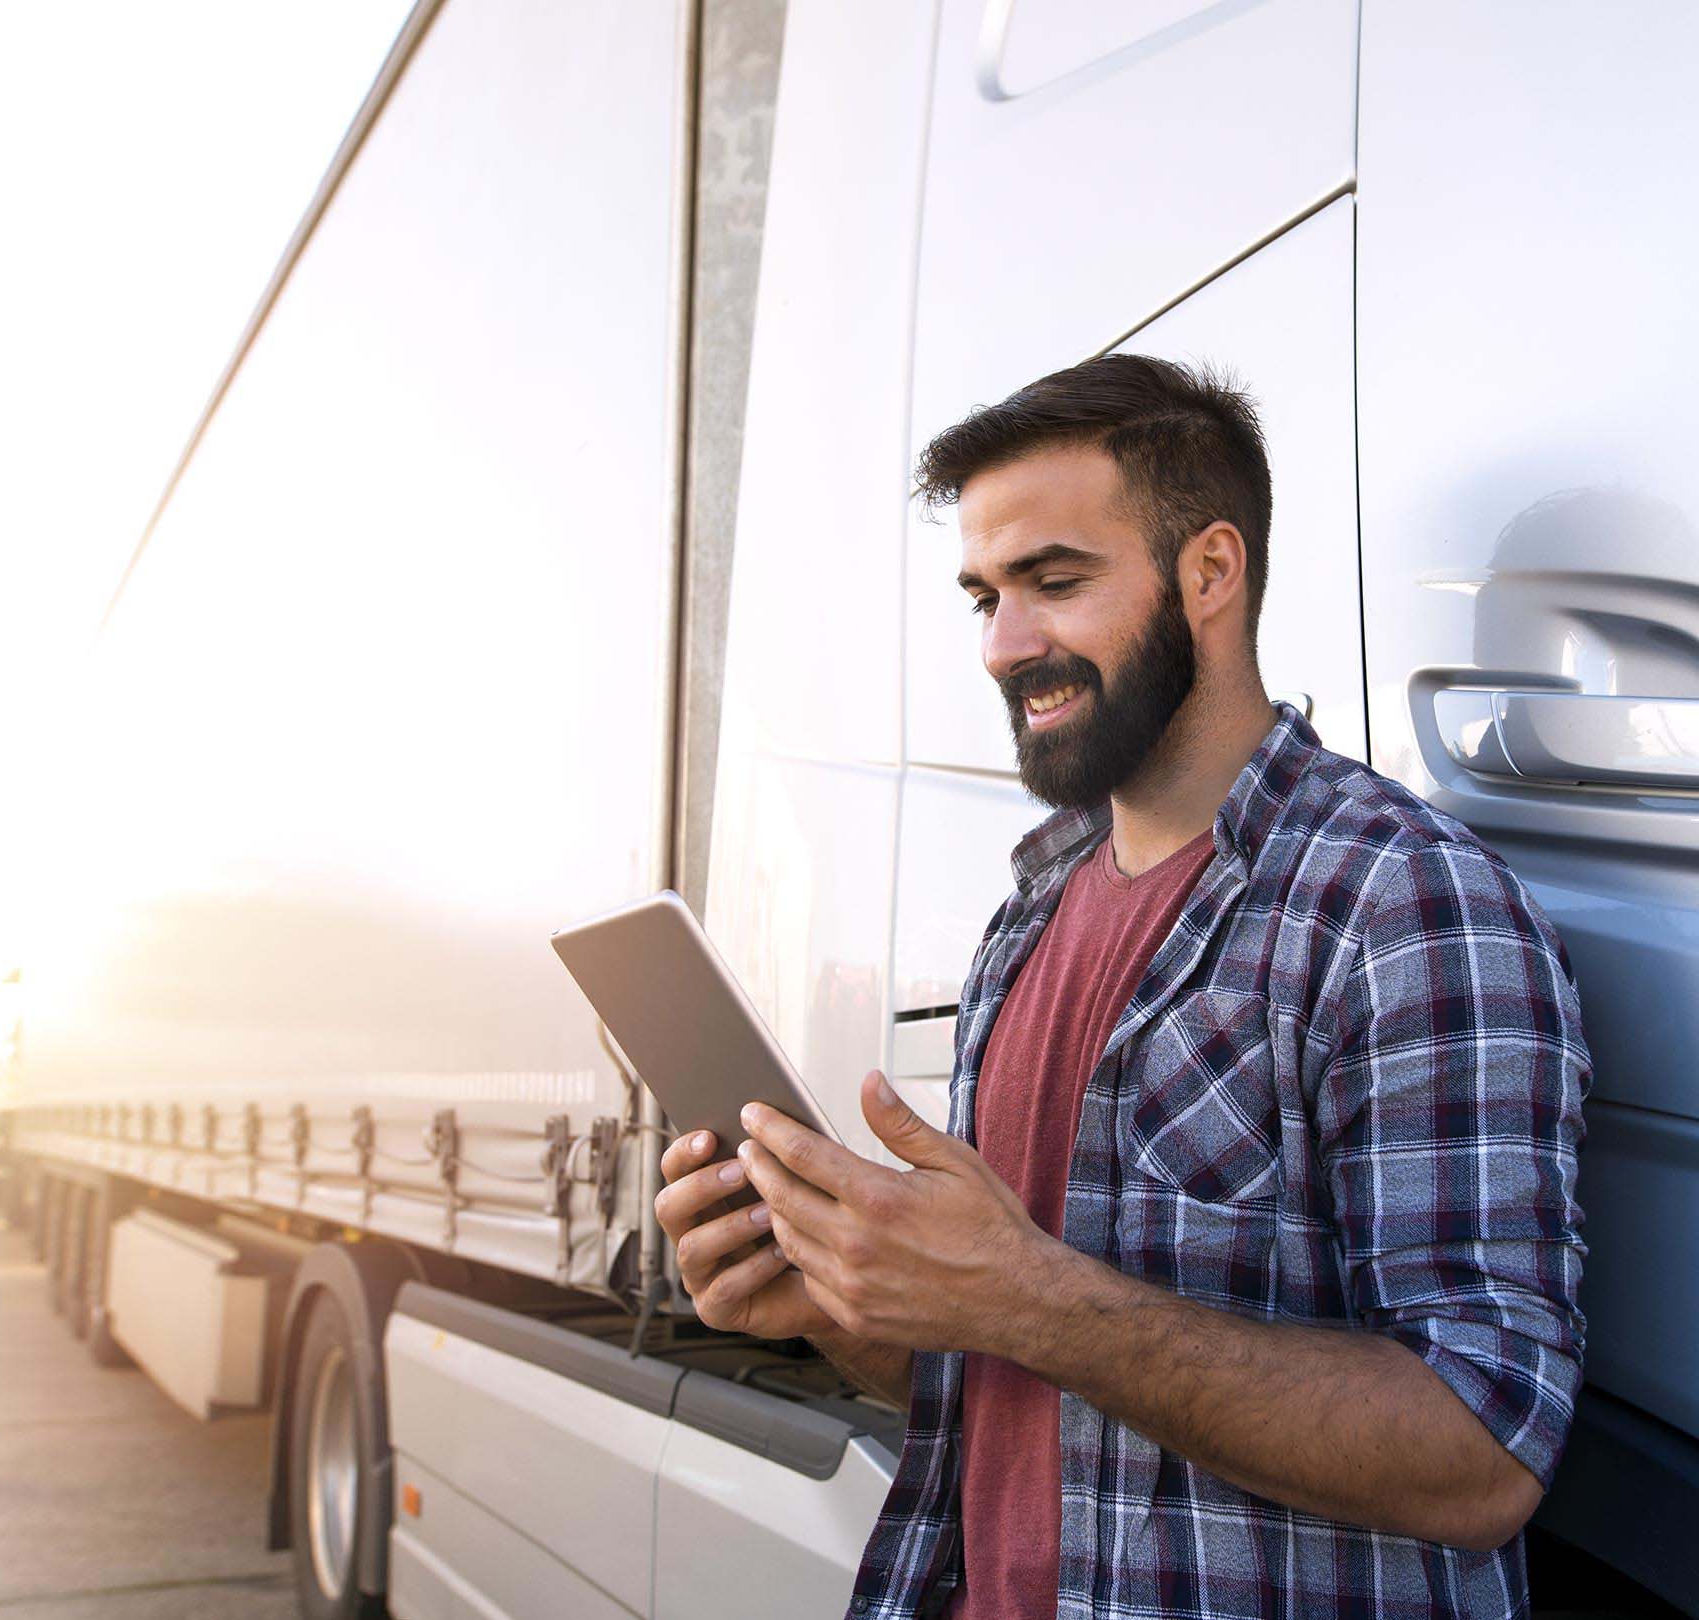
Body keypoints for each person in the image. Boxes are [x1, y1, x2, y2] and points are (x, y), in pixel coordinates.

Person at [654, 355, 1589, 1619]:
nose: (1003, 644)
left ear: (1212, 572)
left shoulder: (1405, 908)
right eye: (984, 595)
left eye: (1055, 581)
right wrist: (827, 1302)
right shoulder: (1027, 916)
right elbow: (1001, 1390)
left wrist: (1034, 1297)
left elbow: (1482, 1454)